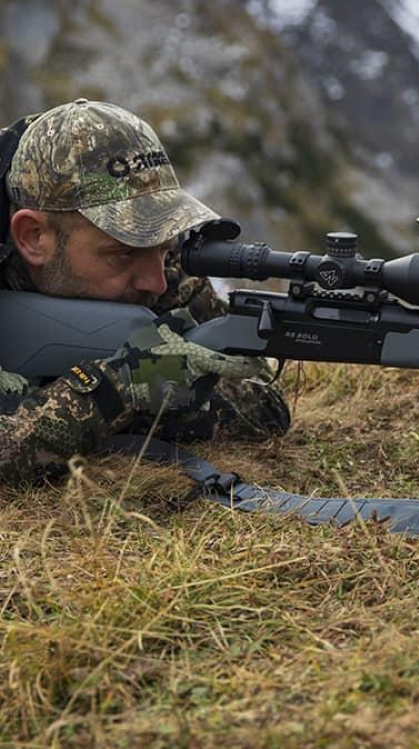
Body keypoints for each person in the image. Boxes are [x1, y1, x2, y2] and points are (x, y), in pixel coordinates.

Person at [0, 99, 290, 485]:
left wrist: (159, 379)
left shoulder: (155, 260)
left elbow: (265, 409)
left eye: (163, 245)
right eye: (122, 252)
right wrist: (118, 390)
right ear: (33, 237)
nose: (157, 282)